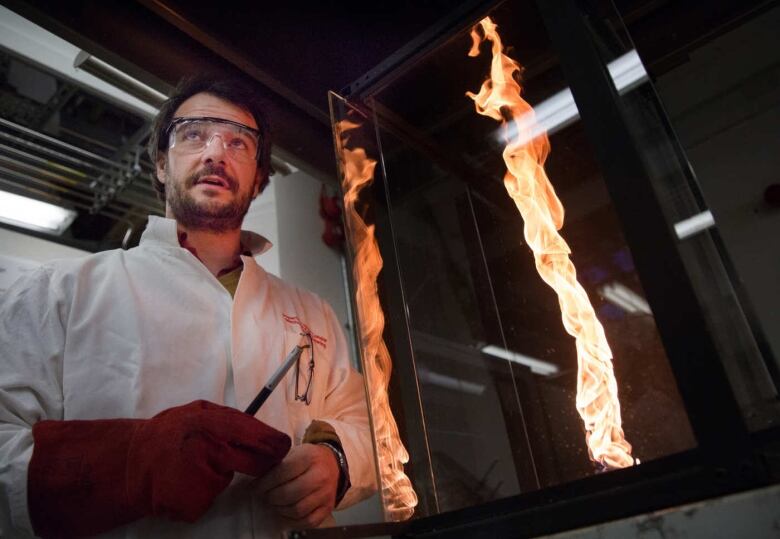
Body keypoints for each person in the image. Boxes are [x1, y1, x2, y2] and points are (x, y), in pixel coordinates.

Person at [0, 75, 376, 538]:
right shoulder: (57, 292)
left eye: (239, 142)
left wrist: (336, 461)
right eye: (193, 134)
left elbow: (369, 426)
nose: (215, 152)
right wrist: (130, 460)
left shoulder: (312, 312)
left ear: (258, 178)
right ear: (161, 163)